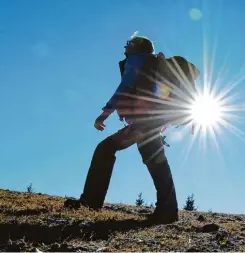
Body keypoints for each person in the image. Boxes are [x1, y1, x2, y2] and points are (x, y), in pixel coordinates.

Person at [64, 34, 183, 225]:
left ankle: (91, 202)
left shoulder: (137, 59)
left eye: (129, 43)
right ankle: (168, 211)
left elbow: (125, 86)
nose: (125, 47)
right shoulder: (153, 63)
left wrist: (104, 114)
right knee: (156, 162)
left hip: (145, 122)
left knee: (105, 149)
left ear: (138, 47)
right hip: (154, 120)